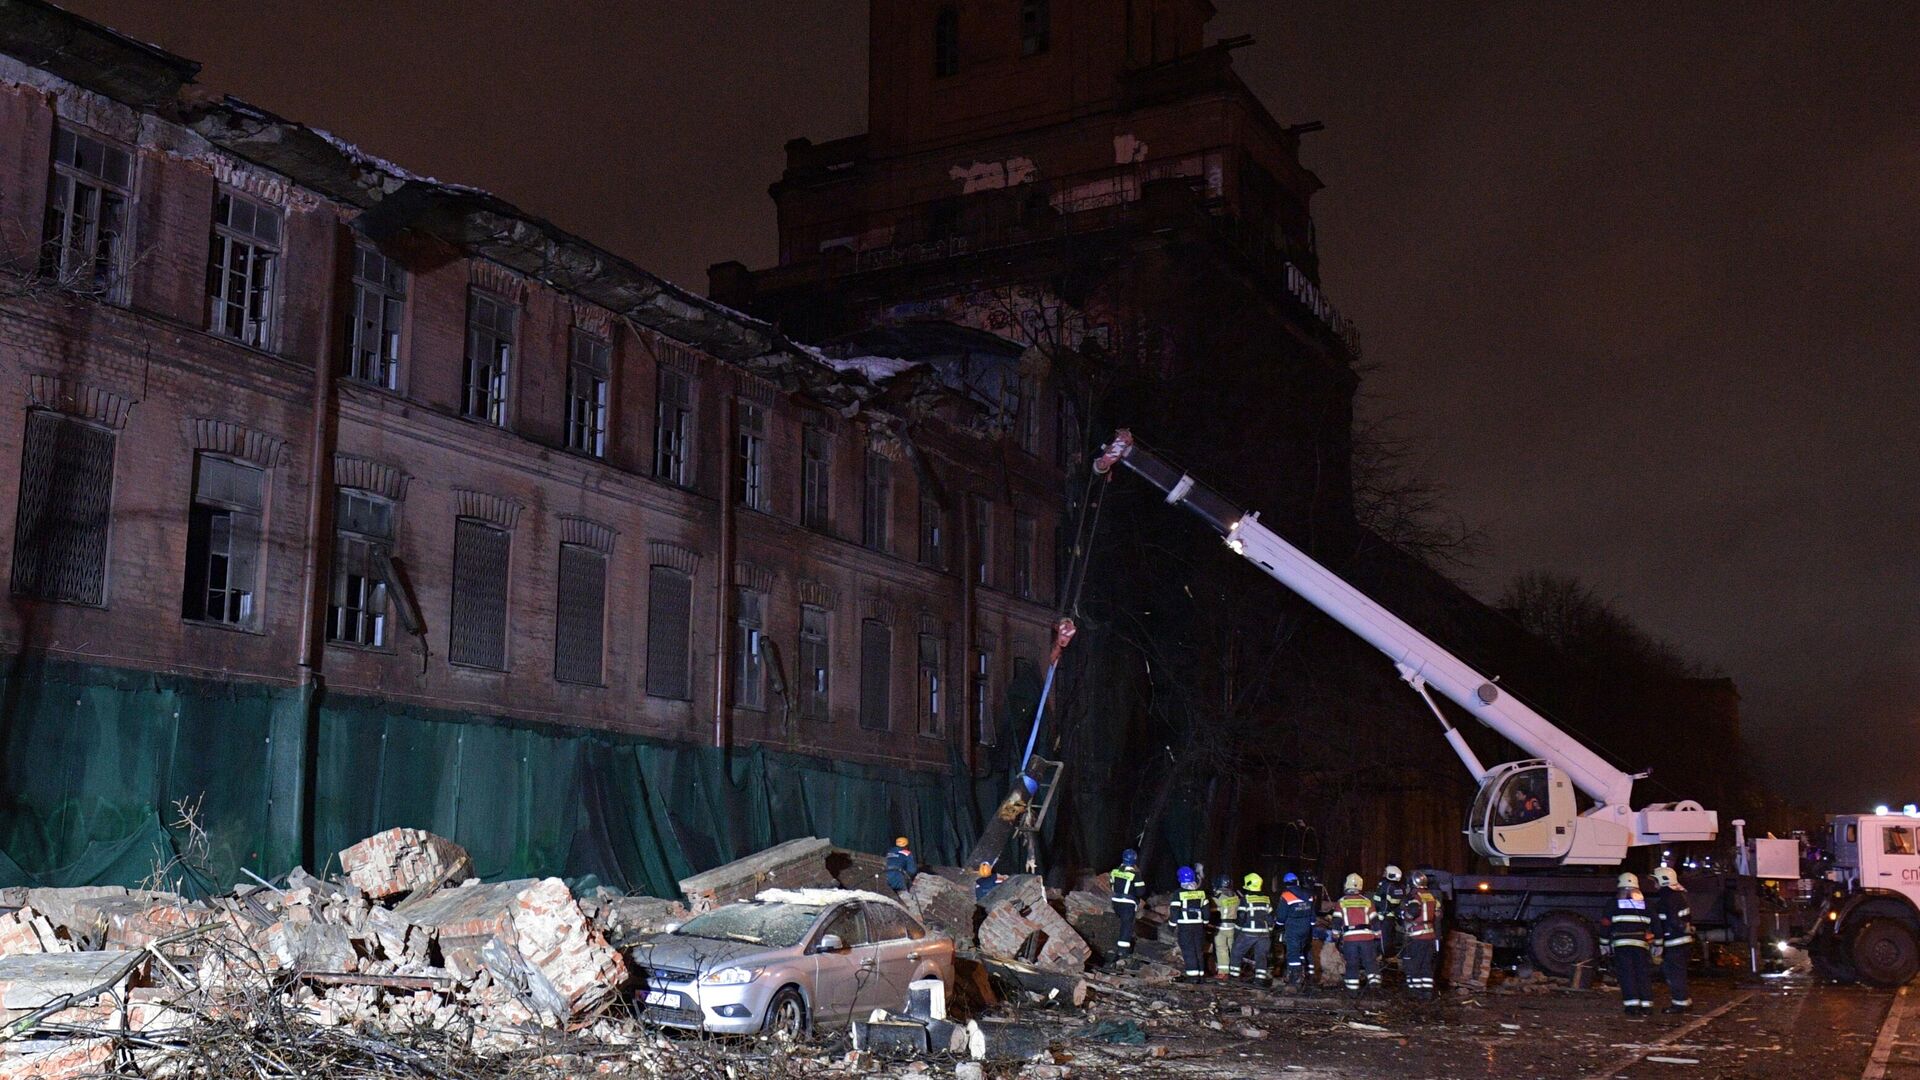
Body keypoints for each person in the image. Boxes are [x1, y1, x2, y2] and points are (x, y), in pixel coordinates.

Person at [1606, 871, 1654, 1017]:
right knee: (1642, 974)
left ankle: (1632, 1007)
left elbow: (1606, 925)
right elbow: (1656, 925)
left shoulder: (1613, 904)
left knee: (1627, 975)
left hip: (1622, 945)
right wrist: (1658, 944)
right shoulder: (1646, 905)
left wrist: (1604, 944)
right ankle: (1646, 1006)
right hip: (1641, 945)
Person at [1649, 866, 1694, 1014]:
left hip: (1674, 943)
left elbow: (1671, 922)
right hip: (1681, 942)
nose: (1654, 884)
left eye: (1655, 881)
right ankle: (1684, 1001)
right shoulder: (1678, 895)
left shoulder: (1667, 899)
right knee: (1679, 973)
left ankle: (1680, 1004)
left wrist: (1658, 943)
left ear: (1663, 881)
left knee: (1674, 974)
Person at [1337, 873, 1383, 996]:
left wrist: (1335, 935)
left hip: (1350, 939)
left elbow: (1336, 921)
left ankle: (1352, 991)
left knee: (1352, 964)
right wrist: (1378, 936)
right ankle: (1375, 986)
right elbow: (1375, 921)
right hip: (1367, 938)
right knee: (1370, 961)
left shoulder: (1342, 902)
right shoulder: (1367, 901)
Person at [1401, 871, 1443, 999]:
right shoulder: (1431, 896)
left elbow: (1412, 912)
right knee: (1426, 964)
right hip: (1430, 935)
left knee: (1415, 964)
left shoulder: (1415, 897)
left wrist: (1404, 915)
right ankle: (1427, 991)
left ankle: (1416, 992)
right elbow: (1438, 915)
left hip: (1417, 936)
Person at [1229, 873, 1275, 985]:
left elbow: (1241, 916)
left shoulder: (1245, 899)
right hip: (1264, 934)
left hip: (1249, 932)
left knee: (1236, 952)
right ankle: (1259, 979)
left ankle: (1234, 977)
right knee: (1261, 956)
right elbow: (1271, 917)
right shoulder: (1266, 899)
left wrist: (1237, 930)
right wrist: (1269, 929)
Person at [1172, 866, 1210, 983]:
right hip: (1198, 926)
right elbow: (1206, 911)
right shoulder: (1201, 893)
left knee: (1188, 950)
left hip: (1185, 926)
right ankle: (1201, 975)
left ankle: (1193, 977)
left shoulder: (1179, 893)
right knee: (1198, 950)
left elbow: (1174, 910)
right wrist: (1205, 922)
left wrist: (1172, 924)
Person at [1278, 872, 1315, 988]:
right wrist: (1311, 926)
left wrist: (1279, 924)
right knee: (1300, 951)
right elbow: (1313, 915)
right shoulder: (1308, 894)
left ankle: (1296, 979)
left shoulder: (1286, 896)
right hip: (1306, 927)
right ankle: (1304, 974)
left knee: (1293, 953)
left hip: (1293, 927)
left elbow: (1281, 916)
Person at [1110, 849, 1143, 963]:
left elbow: (1112, 885)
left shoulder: (1114, 871)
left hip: (1115, 901)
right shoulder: (1135, 874)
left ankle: (1116, 947)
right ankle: (1122, 952)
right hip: (1128, 903)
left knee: (1119, 923)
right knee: (1126, 926)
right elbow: (1140, 891)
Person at [1373, 864, 1407, 959]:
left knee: (1384, 939)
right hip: (1393, 916)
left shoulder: (1386, 886)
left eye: (1385, 872)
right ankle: (1389, 956)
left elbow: (1384, 903)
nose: (1383, 873)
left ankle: (1385, 956)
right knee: (1391, 937)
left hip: (1384, 917)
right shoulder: (1400, 887)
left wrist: (1381, 914)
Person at [1211, 874, 1240, 980]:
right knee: (1233, 949)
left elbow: (1212, 909)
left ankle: (1223, 972)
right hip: (1233, 926)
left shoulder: (1217, 896)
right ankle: (1235, 971)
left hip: (1221, 927)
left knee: (1221, 949)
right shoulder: (1235, 896)